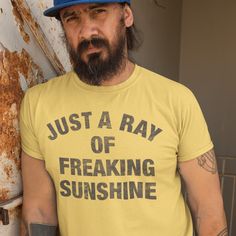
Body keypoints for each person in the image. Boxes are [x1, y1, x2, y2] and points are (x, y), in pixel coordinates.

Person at [20, 0, 228, 235]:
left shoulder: (176, 100)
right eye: (71, 18)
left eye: (98, 12)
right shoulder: (38, 104)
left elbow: (209, 211)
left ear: (127, 16)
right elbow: (39, 211)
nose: (87, 31)